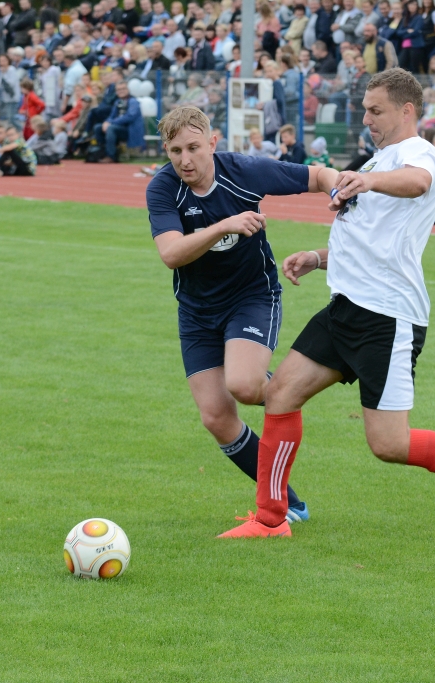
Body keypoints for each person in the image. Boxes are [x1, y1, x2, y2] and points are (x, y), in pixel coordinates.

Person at [219, 68, 435, 540]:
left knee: (389, 443)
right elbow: (371, 239)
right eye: (365, 110)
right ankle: (271, 519)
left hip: (387, 317)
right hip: (345, 307)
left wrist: (369, 182)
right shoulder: (374, 163)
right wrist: (317, 257)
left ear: (406, 110)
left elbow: (416, 182)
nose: (366, 119)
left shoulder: (417, 153)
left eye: (375, 110)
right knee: (281, 395)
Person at [146, 106, 340, 525]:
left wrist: (338, 190)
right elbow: (171, 254)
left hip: (251, 297)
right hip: (197, 312)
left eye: (194, 148)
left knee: (245, 385)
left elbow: (318, 175)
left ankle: (288, 390)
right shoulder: (163, 188)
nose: (185, 160)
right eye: (176, 151)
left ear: (212, 143)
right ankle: (289, 502)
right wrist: (224, 225)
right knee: (216, 416)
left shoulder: (243, 171)